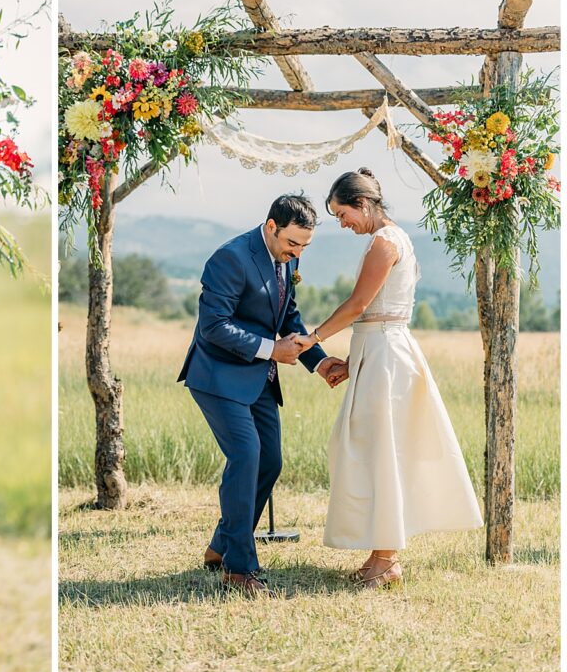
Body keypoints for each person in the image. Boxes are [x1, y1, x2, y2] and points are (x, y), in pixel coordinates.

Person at [293, 167, 483, 589]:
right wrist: (352, 359)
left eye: (343, 214)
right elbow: (373, 314)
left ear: (363, 204)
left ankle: (387, 559)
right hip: (376, 353)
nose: (342, 224)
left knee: (381, 450)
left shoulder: (384, 241)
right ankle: (381, 552)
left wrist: (312, 339)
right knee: (366, 447)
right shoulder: (389, 238)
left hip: (386, 357)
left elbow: (360, 304)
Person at [178, 193, 347, 596]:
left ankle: (221, 547)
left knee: (270, 461)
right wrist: (273, 350)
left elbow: (288, 316)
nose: (297, 252)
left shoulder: (288, 257)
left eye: (305, 246)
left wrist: (319, 362)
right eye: (292, 243)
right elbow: (213, 327)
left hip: (258, 378)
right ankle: (240, 569)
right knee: (246, 456)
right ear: (271, 226)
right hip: (217, 377)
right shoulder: (230, 258)